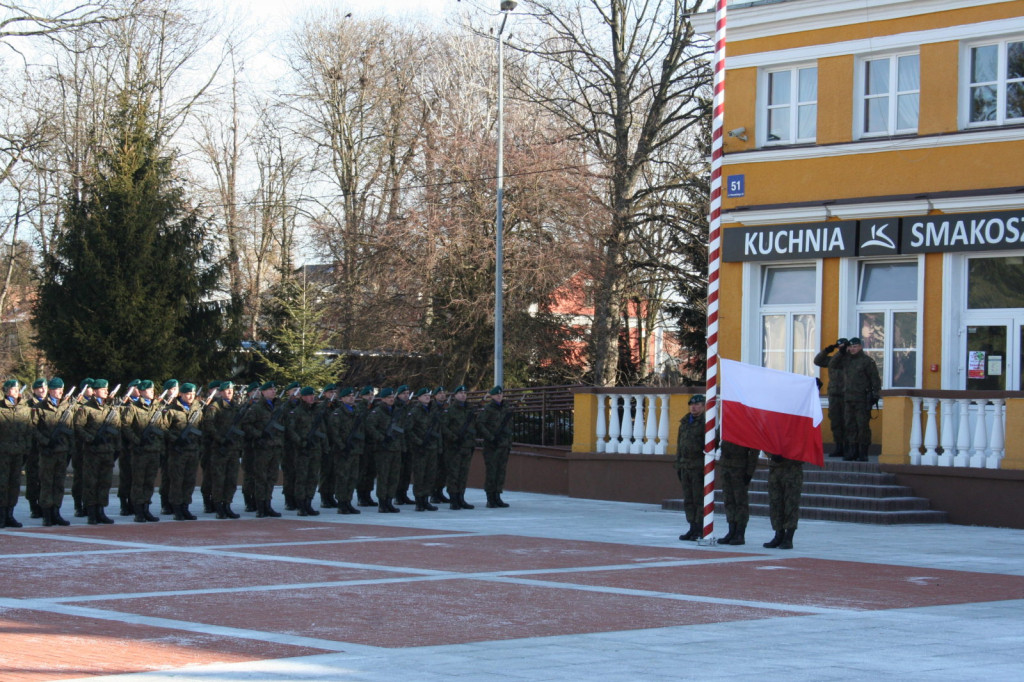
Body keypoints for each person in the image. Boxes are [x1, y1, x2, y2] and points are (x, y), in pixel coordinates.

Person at [75, 379, 121, 525]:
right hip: (92, 452)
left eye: (107, 389)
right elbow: (78, 427)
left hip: (107, 451)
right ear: (95, 391)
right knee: (91, 482)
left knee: (105, 482)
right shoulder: (86, 408)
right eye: (102, 389)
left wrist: (113, 443)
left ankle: (101, 510)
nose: (106, 392)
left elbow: (117, 426)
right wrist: (91, 439)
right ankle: (91, 512)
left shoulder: (110, 408)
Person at [33, 378, 74, 526]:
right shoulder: (40, 407)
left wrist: (69, 447)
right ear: (50, 390)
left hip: (62, 452)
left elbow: (72, 429)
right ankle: (46, 515)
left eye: (62, 389)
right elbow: (33, 429)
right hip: (47, 452)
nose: (61, 392)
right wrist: (46, 441)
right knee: (46, 483)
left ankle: (56, 511)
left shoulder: (67, 407)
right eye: (58, 389)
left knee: (59, 483)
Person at [124, 380, 165, 522]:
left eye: (152, 389)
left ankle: (146, 507)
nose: (151, 392)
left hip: (154, 450)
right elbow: (125, 426)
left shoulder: (157, 407)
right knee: (138, 482)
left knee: (149, 481)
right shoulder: (133, 408)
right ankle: (138, 511)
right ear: (141, 392)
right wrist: (137, 440)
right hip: (140, 452)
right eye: (148, 390)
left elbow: (163, 426)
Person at [242, 381, 286, 518]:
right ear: (263, 392)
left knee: (272, 477)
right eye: (270, 390)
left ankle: (268, 504)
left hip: (275, 446)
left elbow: (284, 424)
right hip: (262, 447)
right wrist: (259, 434)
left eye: (274, 389)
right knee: (261, 478)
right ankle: (260, 506)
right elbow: (246, 425)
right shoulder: (256, 408)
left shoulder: (279, 406)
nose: (273, 391)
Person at [202, 381, 243, 519]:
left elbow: (242, 425)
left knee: (231, 479)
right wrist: (221, 439)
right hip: (220, 448)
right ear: (220, 392)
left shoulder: (236, 407)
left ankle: (227, 504)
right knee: (219, 479)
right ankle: (218, 506)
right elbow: (209, 425)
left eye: (231, 390)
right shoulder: (214, 407)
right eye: (227, 390)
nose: (230, 392)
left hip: (233, 448)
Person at [163, 383, 204, 520]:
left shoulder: (197, 409)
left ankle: (186, 506)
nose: (191, 396)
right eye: (188, 394)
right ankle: (176, 508)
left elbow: (202, 427)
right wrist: (176, 440)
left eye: (192, 394)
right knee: (177, 480)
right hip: (178, 451)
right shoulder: (172, 410)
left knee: (189, 480)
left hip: (193, 450)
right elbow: (163, 429)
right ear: (181, 394)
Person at [286, 386, 325, 517]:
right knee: (302, 478)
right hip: (302, 450)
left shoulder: (316, 411)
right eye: (308, 395)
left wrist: (324, 446)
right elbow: (291, 430)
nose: (311, 397)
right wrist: (301, 443)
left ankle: (309, 502)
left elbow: (322, 430)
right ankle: (301, 505)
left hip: (315, 449)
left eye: (312, 395)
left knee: (313, 477)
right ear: (302, 397)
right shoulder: (296, 412)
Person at [842, 336, 881, 462]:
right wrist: (842, 350)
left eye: (855, 347)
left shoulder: (867, 361)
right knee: (849, 425)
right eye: (851, 347)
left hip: (862, 399)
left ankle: (863, 453)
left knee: (862, 426)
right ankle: (852, 451)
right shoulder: (846, 360)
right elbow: (833, 364)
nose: (852, 349)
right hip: (849, 399)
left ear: (860, 347)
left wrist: (875, 395)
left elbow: (875, 379)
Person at [0, 380, 33, 528]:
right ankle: (1, 515)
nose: (15, 391)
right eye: (12, 389)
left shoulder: (24, 409)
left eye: (17, 389)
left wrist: (26, 448)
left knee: (14, 484)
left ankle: (10, 514)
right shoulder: (1, 408)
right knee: (2, 484)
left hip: (18, 452)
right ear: (6, 391)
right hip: (3, 453)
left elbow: (28, 430)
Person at [717, 440, 761, 545]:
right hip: (726, 466)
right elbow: (718, 437)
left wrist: (749, 472)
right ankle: (731, 530)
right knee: (728, 500)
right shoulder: (725, 424)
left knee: (740, 502)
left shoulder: (746, 424)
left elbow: (754, 450)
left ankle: (740, 533)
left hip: (740, 468)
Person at [675, 394, 706, 541]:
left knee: (698, 499)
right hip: (685, 466)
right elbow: (679, 446)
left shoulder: (706, 423)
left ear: (703, 406)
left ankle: (700, 528)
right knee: (688, 499)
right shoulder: (685, 422)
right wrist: (678, 465)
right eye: (692, 404)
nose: (694, 407)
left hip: (698, 467)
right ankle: (692, 526)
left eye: (698, 404)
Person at [476, 385, 513, 508]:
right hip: (492, 445)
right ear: (491, 396)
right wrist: (491, 437)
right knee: (492, 471)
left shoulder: (506, 408)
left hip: (504, 444)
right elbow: (480, 424)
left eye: (501, 394)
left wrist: (508, 442)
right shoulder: (488, 409)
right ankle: (490, 497)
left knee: (501, 471)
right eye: (497, 394)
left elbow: (509, 427)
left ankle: (498, 495)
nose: (499, 396)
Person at [329, 387, 363, 514]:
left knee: (352, 477)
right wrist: (342, 446)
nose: (351, 398)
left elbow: (360, 431)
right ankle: (341, 503)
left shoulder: (356, 412)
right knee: (342, 477)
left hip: (355, 449)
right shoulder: (337, 413)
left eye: (352, 396)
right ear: (342, 399)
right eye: (348, 396)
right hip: (342, 451)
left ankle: (348, 501)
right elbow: (334, 433)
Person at [443, 385, 476, 510]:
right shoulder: (450, 410)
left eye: (464, 393)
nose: (463, 395)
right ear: (455, 395)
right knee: (454, 474)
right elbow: (444, 427)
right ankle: (453, 499)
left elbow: (473, 427)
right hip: (454, 447)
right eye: (460, 393)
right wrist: (453, 437)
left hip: (467, 446)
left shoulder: (469, 410)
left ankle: (461, 497)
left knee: (463, 474)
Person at [405, 388, 439, 511]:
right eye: (424, 395)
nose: (427, 397)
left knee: (430, 474)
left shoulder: (432, 411)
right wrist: (419, 442)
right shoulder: (415, 411)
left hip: (432, 447)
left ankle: (426, 499)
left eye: (428, 395)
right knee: (420, 475)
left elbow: (437, 429)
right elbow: (409, 430)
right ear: (418, 398)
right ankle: (419, 500)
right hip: (419, 448)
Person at [814, 338, 849, 458]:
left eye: (843, 347)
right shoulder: (833, 359)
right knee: (836, 422)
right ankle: (839, 446)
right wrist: (827, 350)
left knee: (848, 422)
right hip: (834, 394)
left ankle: (848, 447)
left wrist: (843, 352)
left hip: (847, 395)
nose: (841, 349)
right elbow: (818, 361)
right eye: (839, 347)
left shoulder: (851, 360)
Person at [763, 453, 803, 550]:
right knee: (775, 503)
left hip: (792, 469)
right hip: (775, 469)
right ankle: (779, 534)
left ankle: (789, 537)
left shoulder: (798, 436)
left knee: (791, 504)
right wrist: (771, 454)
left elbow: (803, 449)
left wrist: (787, 456)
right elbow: (766, 442)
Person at [429, 387, 450, 504]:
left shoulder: (446, 408)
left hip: (446, 443)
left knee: (444, 470)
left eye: (443, 393)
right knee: (435, 469)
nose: (442, 395)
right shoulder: (432, 408)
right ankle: (433, 493)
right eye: (440, 393)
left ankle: (440, 491)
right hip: (435, 443)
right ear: (435, 396)